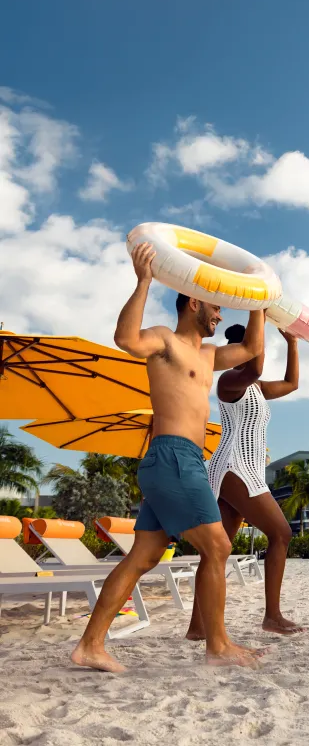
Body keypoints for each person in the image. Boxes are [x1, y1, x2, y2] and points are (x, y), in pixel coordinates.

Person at [71, 242, 265, 673]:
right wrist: (143, 282)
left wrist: (257, 299)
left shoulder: (210, 356)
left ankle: (90, 645)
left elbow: (251, 350)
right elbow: (125, 339)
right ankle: (217, 645)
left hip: (185, 461)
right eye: (215, 308)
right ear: (194, 300)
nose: (219, 316)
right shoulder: (164, 339)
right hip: (173, 457)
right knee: (219, 546)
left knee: (142, 556)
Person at [186, 317, 304, 639]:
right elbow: (254, 369)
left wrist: (293, 343)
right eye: (249, 350)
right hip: (236, 467)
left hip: (239, 469)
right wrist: (260, 314)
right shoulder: (229, 381)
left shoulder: (257, 388)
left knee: (216, 551)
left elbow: (292, 383)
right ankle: (272, 616)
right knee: (281, 535)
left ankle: (197, 627)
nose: (252, 356)